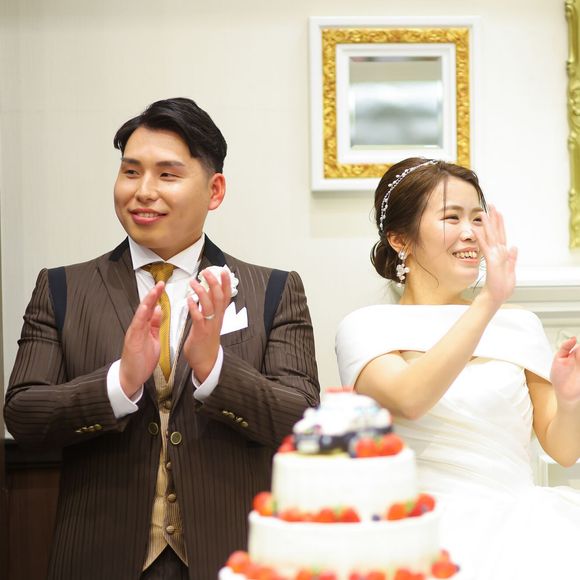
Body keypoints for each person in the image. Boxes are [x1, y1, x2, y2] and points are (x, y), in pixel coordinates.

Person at [5, 97, 320, 580]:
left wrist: (214, 368)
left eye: (167, 175)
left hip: (232, 557)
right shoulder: (62, 287)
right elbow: (24, 414)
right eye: (130, 172)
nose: (143, 191)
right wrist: (119, 382)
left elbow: (301, 421)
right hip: (98, 555)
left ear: (215, 190)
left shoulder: (273, 290)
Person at [336, 158, 580, 579]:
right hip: (416, 533)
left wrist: (571, 400)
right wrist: (489, 301)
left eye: (478, 218)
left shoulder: (520, 325)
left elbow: (564, 450)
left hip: (523, 531)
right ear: (399, 238)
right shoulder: (366, 327)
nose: (471, 233)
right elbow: (411, 399)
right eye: (452, 217)